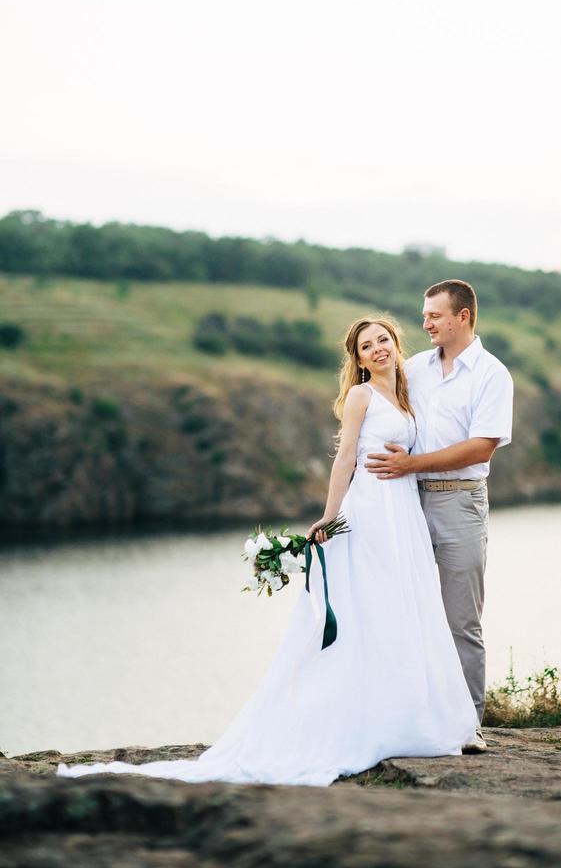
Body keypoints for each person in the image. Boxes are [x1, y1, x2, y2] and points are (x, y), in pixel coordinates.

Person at [57, 316, 478, 787]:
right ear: (357, 360)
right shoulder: (361, 397)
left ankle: (406, 714)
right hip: (371, 511)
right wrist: (329, 515)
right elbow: (345, 458)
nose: (378, 349)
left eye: (383, 340)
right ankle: (362, 721)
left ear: (396, 344)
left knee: (403, 606)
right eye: (366, 346)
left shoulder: (407, 394)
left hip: (403, 512)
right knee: (371, 607)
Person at [364, 281, 514, 752]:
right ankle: (407, 719)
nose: (425, 323)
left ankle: (467, 726)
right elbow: (373, 415)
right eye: (425, 315)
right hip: (403, 500)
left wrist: (411, 463)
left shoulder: (492, 374)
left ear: (463, 317)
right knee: (404, 612)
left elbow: (480, 445)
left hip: (460, 502)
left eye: (434, 315)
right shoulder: (415, 369)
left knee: (460, 620)